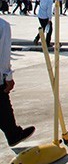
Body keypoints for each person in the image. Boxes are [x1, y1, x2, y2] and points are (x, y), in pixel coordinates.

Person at [0, 17, 35, 148]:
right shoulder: (2, 26)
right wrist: (8, 76)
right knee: (3, 105)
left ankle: (12, 133)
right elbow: (3, 55)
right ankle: (13, 134)